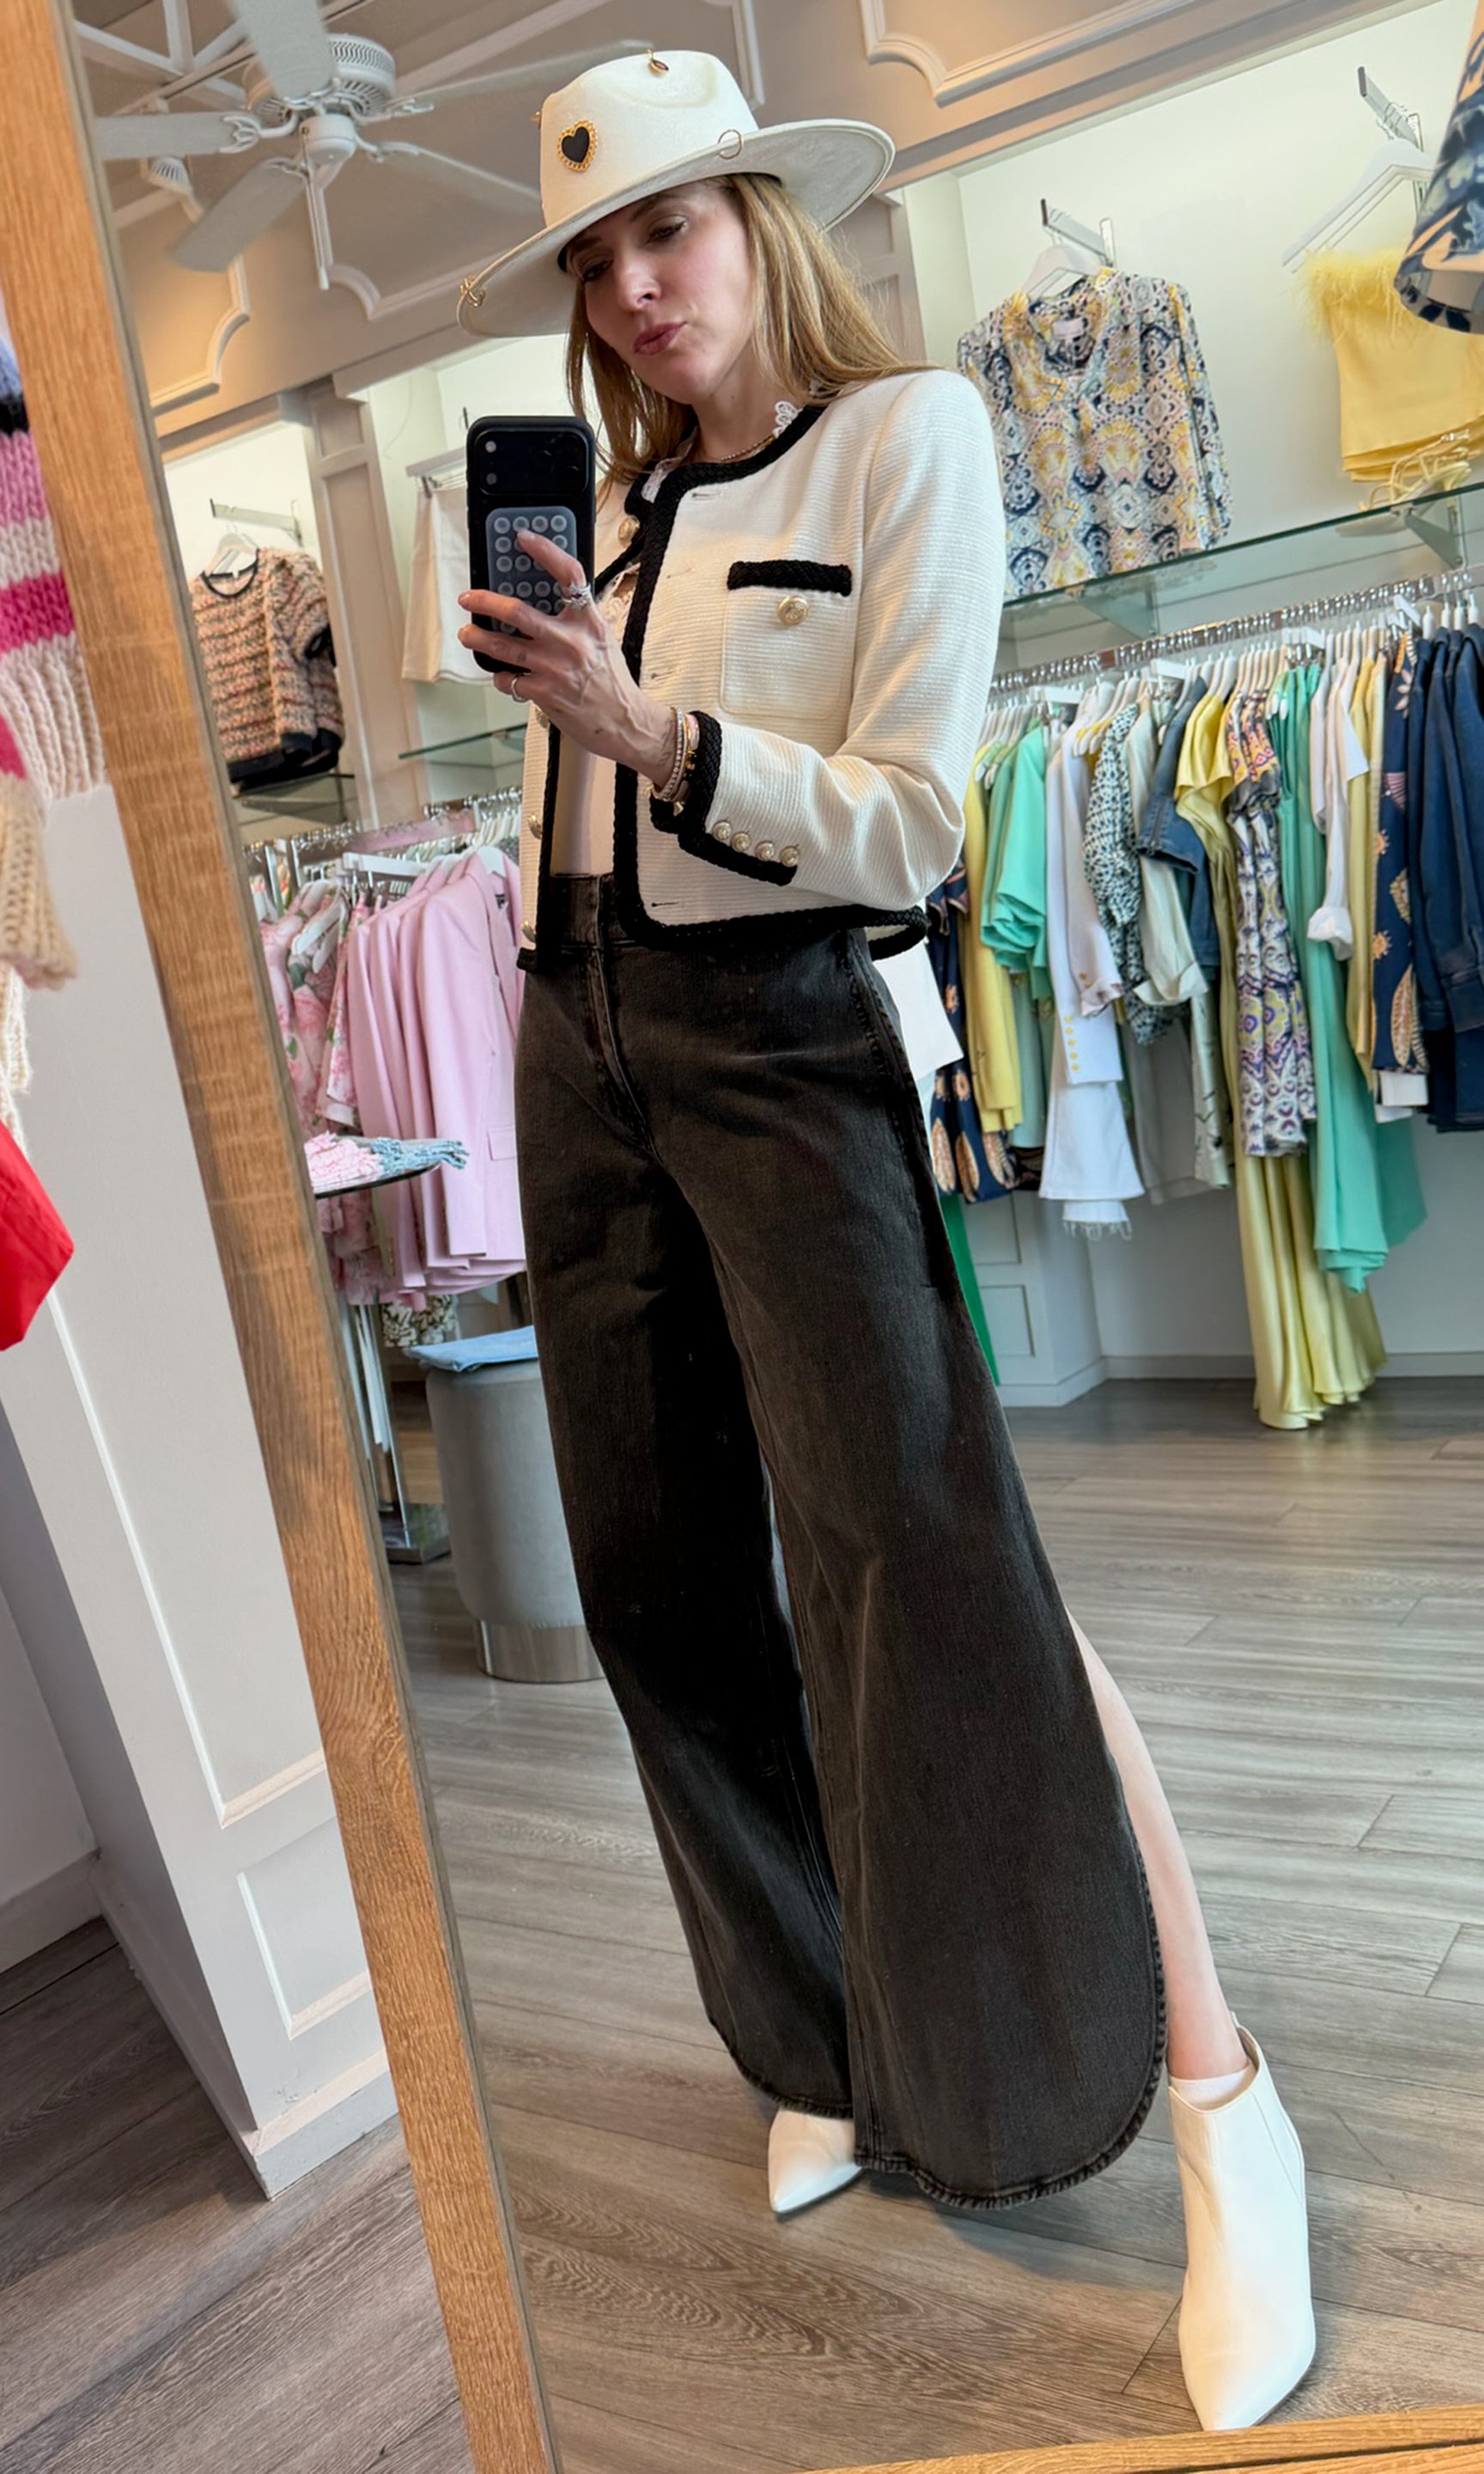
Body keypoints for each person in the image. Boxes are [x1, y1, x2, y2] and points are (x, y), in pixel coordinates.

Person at [454, 47, 1313, 2433]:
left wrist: (656, 738)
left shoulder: (907, 437)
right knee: (651, 1583)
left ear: (761, 223)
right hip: (577, 1038)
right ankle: (827, 2030)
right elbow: (581, 834)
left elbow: (924, 812)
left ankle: (1221, 2106)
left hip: (786, 1040)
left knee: (926, 1569)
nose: (634, 288)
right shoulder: (609, 520)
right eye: (595, 261)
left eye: (672, 232)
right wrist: (572, 712)